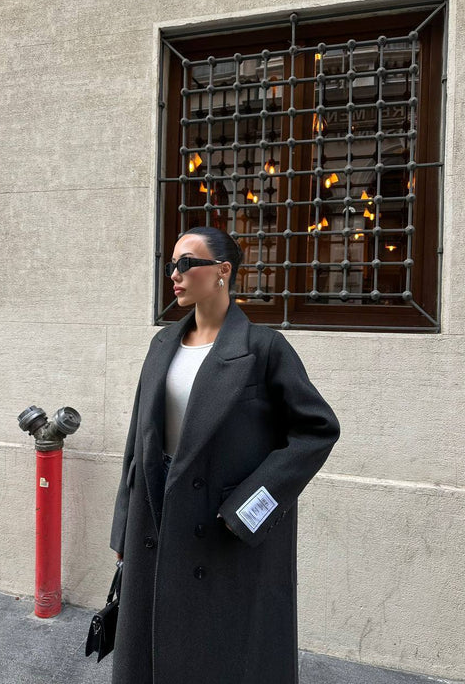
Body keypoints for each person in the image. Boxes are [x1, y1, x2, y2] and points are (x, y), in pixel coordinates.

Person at [109, 226, 341, 684]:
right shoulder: (163, 343)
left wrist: (249, 508)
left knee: (219, 652)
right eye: (171, 264)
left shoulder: (263, 348)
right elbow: (138, 441)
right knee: (151, 648)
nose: (174, 275)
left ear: (222, 271)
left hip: (221, 522)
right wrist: (123, 527)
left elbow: (317, 430)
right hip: (154, 513)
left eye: (186, 263)